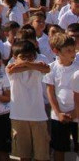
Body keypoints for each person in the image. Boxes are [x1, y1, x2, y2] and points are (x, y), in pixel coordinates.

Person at [6, 39, 51, 161]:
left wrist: (27, 63)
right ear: (14, 57)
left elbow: (47, 69)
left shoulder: (38, 66)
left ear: (35, 55)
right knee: (23, 155)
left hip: (38, 116)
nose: (27, 59)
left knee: (41, 155)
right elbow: (11, 70)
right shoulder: (10, 67)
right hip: (18, 116)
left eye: (30, 56)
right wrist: (30, 65)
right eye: (23, 56)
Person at [44, 33, 78, 161]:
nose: (72, 53)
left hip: (77, 115)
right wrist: (58, 113)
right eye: (68, 50)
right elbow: (50, 92)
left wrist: (75, 112)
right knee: (59, 148)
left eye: (73, 49)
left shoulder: (78, 68)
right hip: (59, 117)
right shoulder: (51, 68)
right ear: (56, 51)